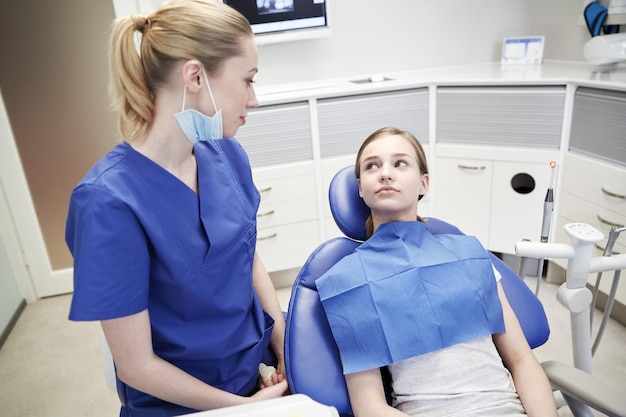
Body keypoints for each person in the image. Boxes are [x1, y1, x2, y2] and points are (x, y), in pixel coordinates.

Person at [65, 1, 288, 416]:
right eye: (248, 80)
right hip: (184, 404)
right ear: (195, 76)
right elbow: (136, 366)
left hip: (258, 375)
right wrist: (243, 408)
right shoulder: (107, 202)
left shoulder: (226, 155)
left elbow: (245, 252)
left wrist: (282, 337)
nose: (254, 100)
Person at [315, 127, 558, 417]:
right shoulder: (348, 281)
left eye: (400, 163)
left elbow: (521, 360)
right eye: (372, 166)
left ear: (423, 183)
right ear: (360, 188)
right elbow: (369, 407)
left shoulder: (469, 254)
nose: (385, 173)